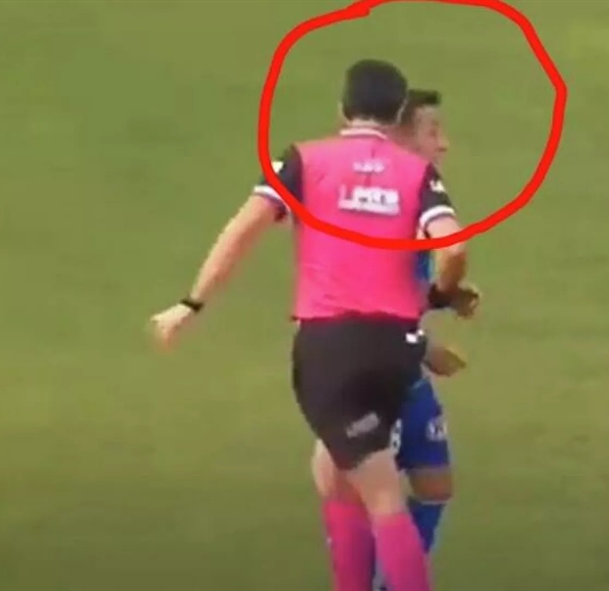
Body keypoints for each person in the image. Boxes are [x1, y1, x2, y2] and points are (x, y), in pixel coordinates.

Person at [149, 59, 473, 591]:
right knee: (342, 478)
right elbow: (453, 248)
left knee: (379, 495)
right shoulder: (417, 174)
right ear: (397, 113)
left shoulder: (303, 160)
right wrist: (440, 293)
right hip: (397, 350)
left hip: (330, 348)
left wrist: (192, 303)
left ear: (342, 109)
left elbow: (244, 229)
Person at [370, 88, 472, 591]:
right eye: (433, 131)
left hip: (404, 371)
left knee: (434, 485)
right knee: (376, 501)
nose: (444, 144)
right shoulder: (384, 207)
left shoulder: (414, 198)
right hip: (373, 377)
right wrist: (427, 349)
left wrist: (439, 298)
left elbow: (399, 289)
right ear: (401, 136)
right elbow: (367, 302)